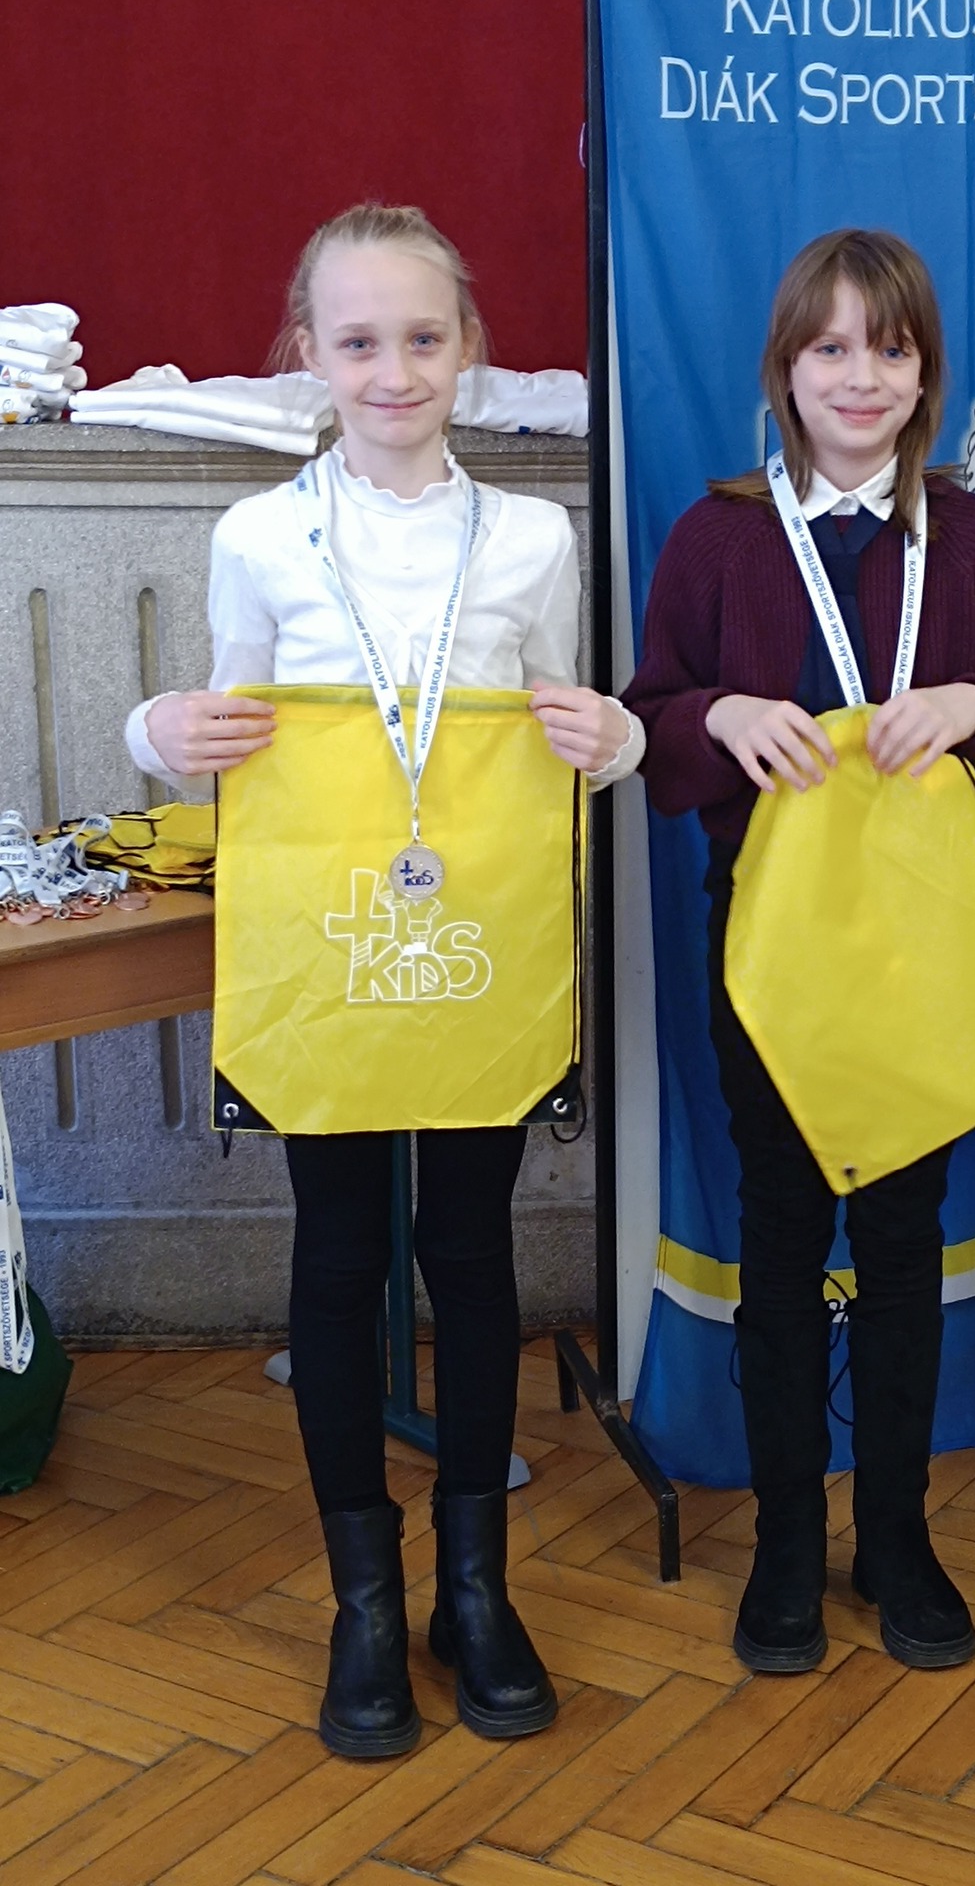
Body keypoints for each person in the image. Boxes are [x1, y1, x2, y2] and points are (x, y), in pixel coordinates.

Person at [125, 203, 642, 1757]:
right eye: (360, 341)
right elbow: (223, 726)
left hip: (477, 941)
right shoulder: (260, 536)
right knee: (342, 1256)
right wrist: (162, 732)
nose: (395, 370)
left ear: (468, 348)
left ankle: (477, 1588)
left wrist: (611, 737)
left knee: (471, 1252)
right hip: (331, 947)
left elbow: (556, 728)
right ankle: (365, 1600)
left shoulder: (531, 538)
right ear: (311, 354)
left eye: (424, 337)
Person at [624, 228, 975, 1673]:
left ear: (927, 374)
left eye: (891, 347)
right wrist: (718, 717)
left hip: (925, 949)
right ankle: (786, 1543)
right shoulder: (719, 539)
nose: (860, 376)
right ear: (784, 370)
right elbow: (650, 717)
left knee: (902, 1239)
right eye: (830, 348)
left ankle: (898, 1536)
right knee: (780, 1235)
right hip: (770, 948)